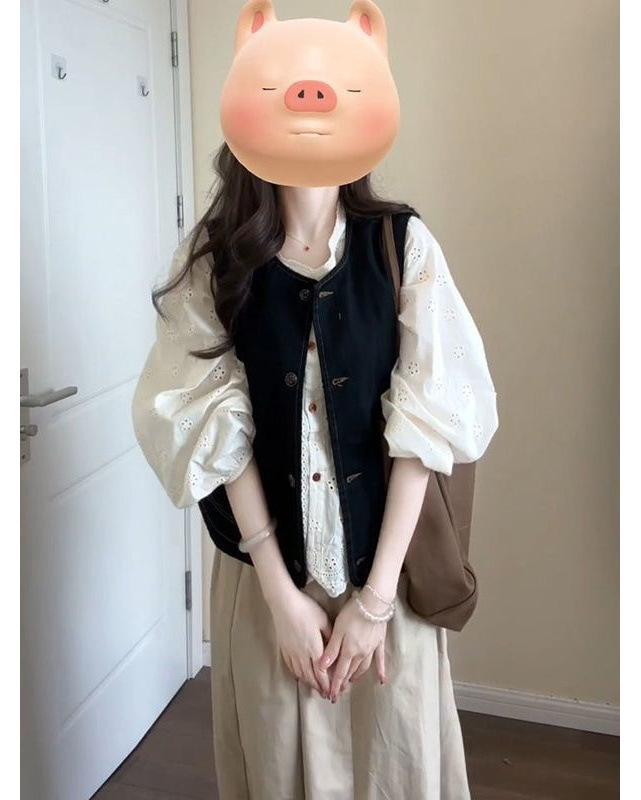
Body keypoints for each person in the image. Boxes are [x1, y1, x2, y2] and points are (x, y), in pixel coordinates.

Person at [131, 141, 499, 799]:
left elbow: (424, 431)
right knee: (277, 773)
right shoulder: (216, 261)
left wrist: (375, 604)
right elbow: (218, 434)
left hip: (389, 583)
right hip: (266, 587)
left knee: (396, 771)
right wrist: (282, 600)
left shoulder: (401, 244)